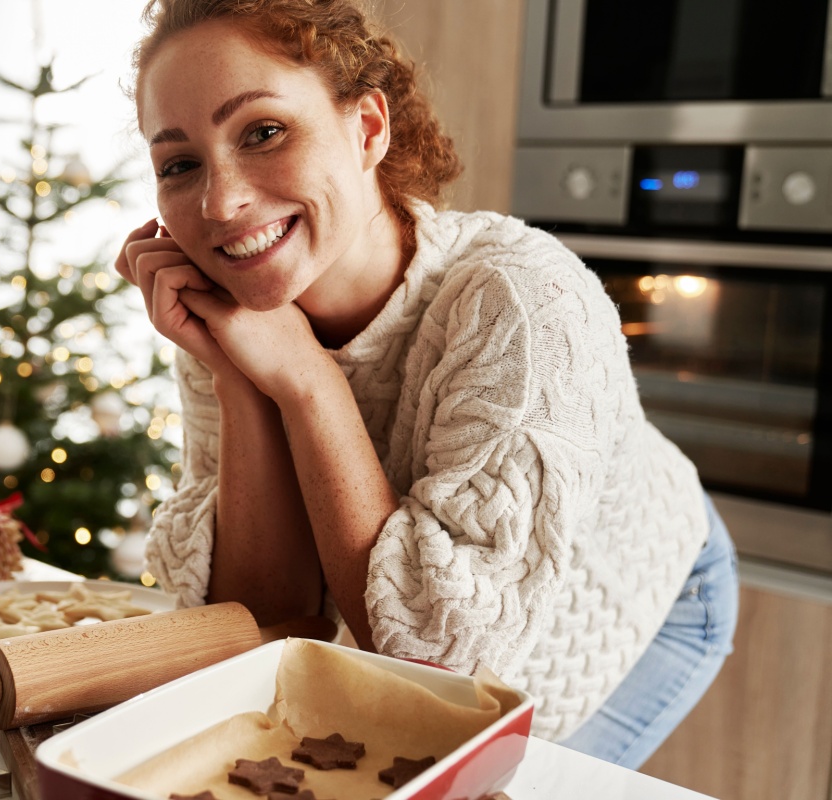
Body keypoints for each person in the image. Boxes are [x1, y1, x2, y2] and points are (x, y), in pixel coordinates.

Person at [115, 0, 738, 769]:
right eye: (180, 164)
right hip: (454, 630)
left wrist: (308, 379)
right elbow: (267, 621)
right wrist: (242, 380)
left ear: (368, 129)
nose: (220, 202)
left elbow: (437, 662)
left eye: (264, 131)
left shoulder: (521, 300)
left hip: (639, 591)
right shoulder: (238, 309)